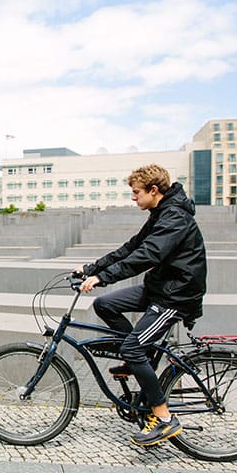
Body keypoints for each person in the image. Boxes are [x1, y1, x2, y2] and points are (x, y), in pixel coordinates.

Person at [75, 164, 206, 447]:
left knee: (132, 346)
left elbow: (148, 255)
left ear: (154, 190)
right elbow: (132, 246)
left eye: (136, 192)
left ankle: (164, 418)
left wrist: (103, 277)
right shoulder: (160, 213)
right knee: (105, 305)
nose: (133, 198)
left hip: (176, 296)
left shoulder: (174, 217)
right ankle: (137, 359)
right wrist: (91, 268)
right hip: (159, 287)